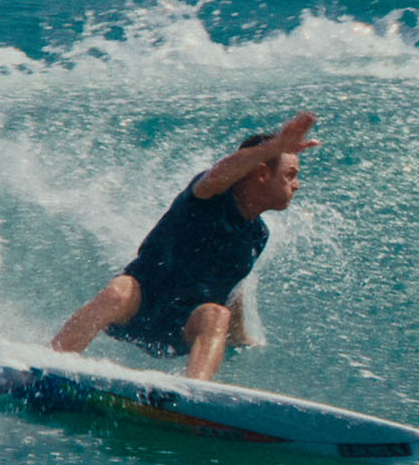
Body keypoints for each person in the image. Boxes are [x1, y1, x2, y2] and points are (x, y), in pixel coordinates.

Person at [50, 111, 318, 380]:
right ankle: (50, 364)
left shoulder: (258, 235)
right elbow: (218, 174)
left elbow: (233, 286)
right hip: (138, 308)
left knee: (216, 315)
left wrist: (240, 340)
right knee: (118, 290)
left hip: (181, 327)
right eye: (290, 175)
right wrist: (274, 147)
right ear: (261, 174)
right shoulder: (207, 197)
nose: (297, 184)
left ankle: (193, 398)